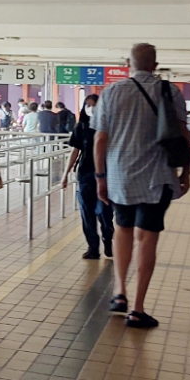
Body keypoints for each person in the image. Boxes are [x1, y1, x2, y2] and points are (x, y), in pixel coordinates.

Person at [93, 42, 190, 329]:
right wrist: (185, 172)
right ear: (155, 65)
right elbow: (183, 134)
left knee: (121, 228)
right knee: (146, 238)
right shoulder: (170, 92)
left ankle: (119, 293)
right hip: (158, 177)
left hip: (120, 177)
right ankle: (137, 309)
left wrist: (100, 178)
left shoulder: (111, 92)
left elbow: (100, 140)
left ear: (128, 64)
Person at [63, 94, 112, 260]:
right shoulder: (81, 127)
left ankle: (108, 239)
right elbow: (75, 151)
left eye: (94, 105)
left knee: (104, 212)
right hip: (85, 175)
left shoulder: (109, 127)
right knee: (87, 213)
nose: (90, 108)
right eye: (87, 105)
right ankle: (93, 247)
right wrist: (65, 173)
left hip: (106, 176)